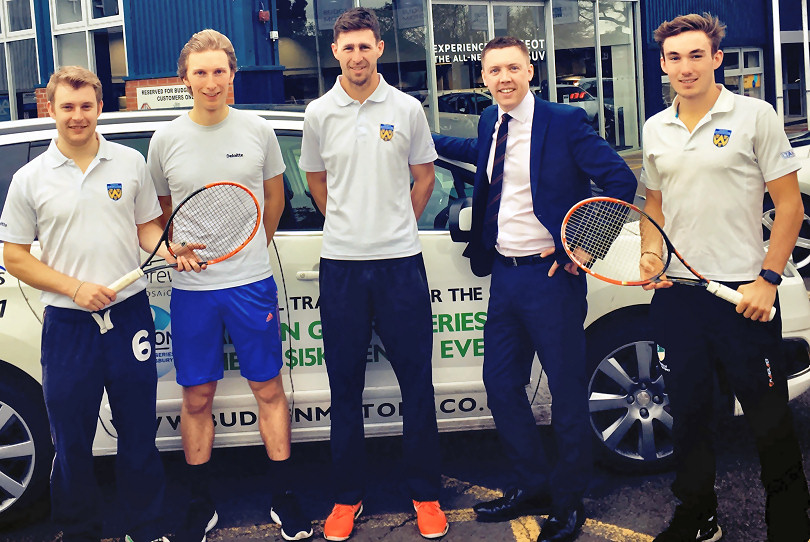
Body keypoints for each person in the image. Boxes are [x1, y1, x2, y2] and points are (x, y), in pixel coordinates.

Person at [433, 37, 637, 542]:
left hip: (551, 282)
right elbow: (477, 154)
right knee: (502, 386)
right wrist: (418, 138)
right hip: (505, 275)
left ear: (530, 72)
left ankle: (569, 503)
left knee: (567, 395)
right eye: (494, 70)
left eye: (513, 68)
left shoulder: (562, 123)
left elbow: (618, 180)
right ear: (483, 77)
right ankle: (532, 486)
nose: (503, 78)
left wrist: (580, 249)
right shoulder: (489, 122)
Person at [0, 66, 198, 542]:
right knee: (71, 443)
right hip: (69, 326)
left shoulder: (129, 164)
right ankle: (77, 530)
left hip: (129, 317)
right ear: (51, 109)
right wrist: (74, 289)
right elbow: (14, 257)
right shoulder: (30, 178)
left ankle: (145, 528)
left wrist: (169, 250)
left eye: (86, 105)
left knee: (137, 437)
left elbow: (146, 228)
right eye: (67, 106)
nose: (77, 116)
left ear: (99, 107)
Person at [640, 13, 810, 542]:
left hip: (744, 296)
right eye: (674, 57)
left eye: (696, 55)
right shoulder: (655, 127)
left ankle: (789, 523)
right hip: (680, 296)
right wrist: (651, 253)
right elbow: (655, 204)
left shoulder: (756, 116)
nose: (684, 67)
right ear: (662, 64)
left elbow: (789, 207)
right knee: (689, 417)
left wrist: (767, 279)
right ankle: (698, 517)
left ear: (716, 58)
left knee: (768, 420)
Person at [147, 29, 312, 542]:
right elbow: (161, 213)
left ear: (232, 75)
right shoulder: (165, 139)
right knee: (196, 397)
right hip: (192, 292)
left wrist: (248, 252)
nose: (211, 82)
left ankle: (284, 495)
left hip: (250, 285)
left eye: (220, 71)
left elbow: (275, 200)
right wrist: (175, 250)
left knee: (268, 388)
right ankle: (201, 503)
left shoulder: (258, 130)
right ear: (185, 79)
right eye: (201, 72)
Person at [298, 8, 447, 541]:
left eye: (366, 46)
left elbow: (425, 177)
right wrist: (350, 223)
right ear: (334, 53)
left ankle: (426, 494)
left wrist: (393, 223)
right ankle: (346, 499)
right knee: (345, 388)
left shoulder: (406, 108)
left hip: (400, 265)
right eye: (348, 48)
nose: (357, 56)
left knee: (417, 384)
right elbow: (317, 182)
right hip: (341, 266)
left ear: (379, 49)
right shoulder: (318, 113)